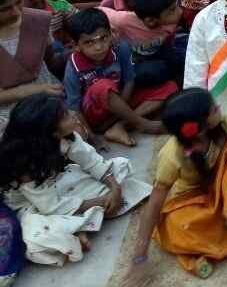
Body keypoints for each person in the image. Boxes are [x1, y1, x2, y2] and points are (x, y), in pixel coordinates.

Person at [125, 88, 227, 281]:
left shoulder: (226, 123)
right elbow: (154, 204)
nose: (219, 108)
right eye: (213, 109)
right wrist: (139, 256)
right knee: (177, 225)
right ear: (199, 127)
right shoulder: (171, 155)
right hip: (194, 198)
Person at [0, 94, 151, 266]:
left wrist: (115, 188)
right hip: (31, 205)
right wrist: (102, 200)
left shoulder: (65, 136)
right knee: (36, 238)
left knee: (118, 167)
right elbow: (50, 206)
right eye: (65, 115)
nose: (72, 114)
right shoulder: (23, 164)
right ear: (50, 130)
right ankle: (77, 227)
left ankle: (80, 223)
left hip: (55, 183)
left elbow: (92, 161)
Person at [63, 8, 171, 145]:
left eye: (103, 38)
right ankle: (142, 124)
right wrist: (91, 136)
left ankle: (120, 125)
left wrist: (120, 109)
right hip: (95, 115)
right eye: (89, 42)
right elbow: (74, 108)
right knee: (102, 85)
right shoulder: (73, 66)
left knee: (169, 87)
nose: (99, 47)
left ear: (111, 35)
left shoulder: (121, 48)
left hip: (120, 103)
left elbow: (129, 81)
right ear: (76, 46)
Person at [0, 0, 62, 135]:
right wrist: (30, 90)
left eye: (19, 2)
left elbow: (49, 58)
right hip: (6, 108)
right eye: (5, 9)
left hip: (46, 96)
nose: (16, 12)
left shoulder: (37, 20)